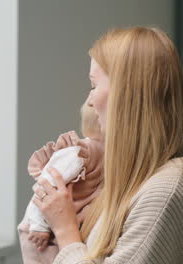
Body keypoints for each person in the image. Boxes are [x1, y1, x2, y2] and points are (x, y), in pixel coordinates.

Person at [21, 26, 183, 263]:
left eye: (94, 85)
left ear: (125, 95)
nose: (89, 100)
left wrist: (65, 229)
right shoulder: (124, 181)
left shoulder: (165, 189)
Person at [18, 103, 104, 264]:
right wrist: (38, 226)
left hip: (58, 227)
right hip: (39, 229)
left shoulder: (109, 156)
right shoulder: (79, 154)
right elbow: (44, 186)